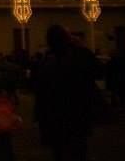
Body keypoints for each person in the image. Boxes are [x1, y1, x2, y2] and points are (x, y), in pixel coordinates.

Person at [34, 25, 98, 161]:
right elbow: (95, 70)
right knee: (77, 151)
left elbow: (39, 92)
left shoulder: (44, 62)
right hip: (75, 115)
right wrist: (81, 47)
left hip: (53, 116)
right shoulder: (76, 59)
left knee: (59, 152)